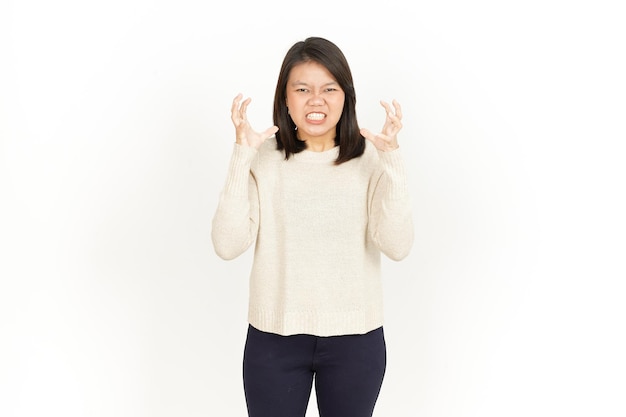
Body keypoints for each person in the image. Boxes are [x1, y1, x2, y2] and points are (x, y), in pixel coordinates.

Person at [211, 36, 414, 417]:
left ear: (346, 97)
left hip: (356, 340)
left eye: (328, 89)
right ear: (285, 98)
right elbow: (227, 244)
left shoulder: (372, 158)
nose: (315, 100)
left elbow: (398, 246)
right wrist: (242, 156)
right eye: (302, 89)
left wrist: (393, 164)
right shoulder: (262, 160)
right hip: (274, 338)